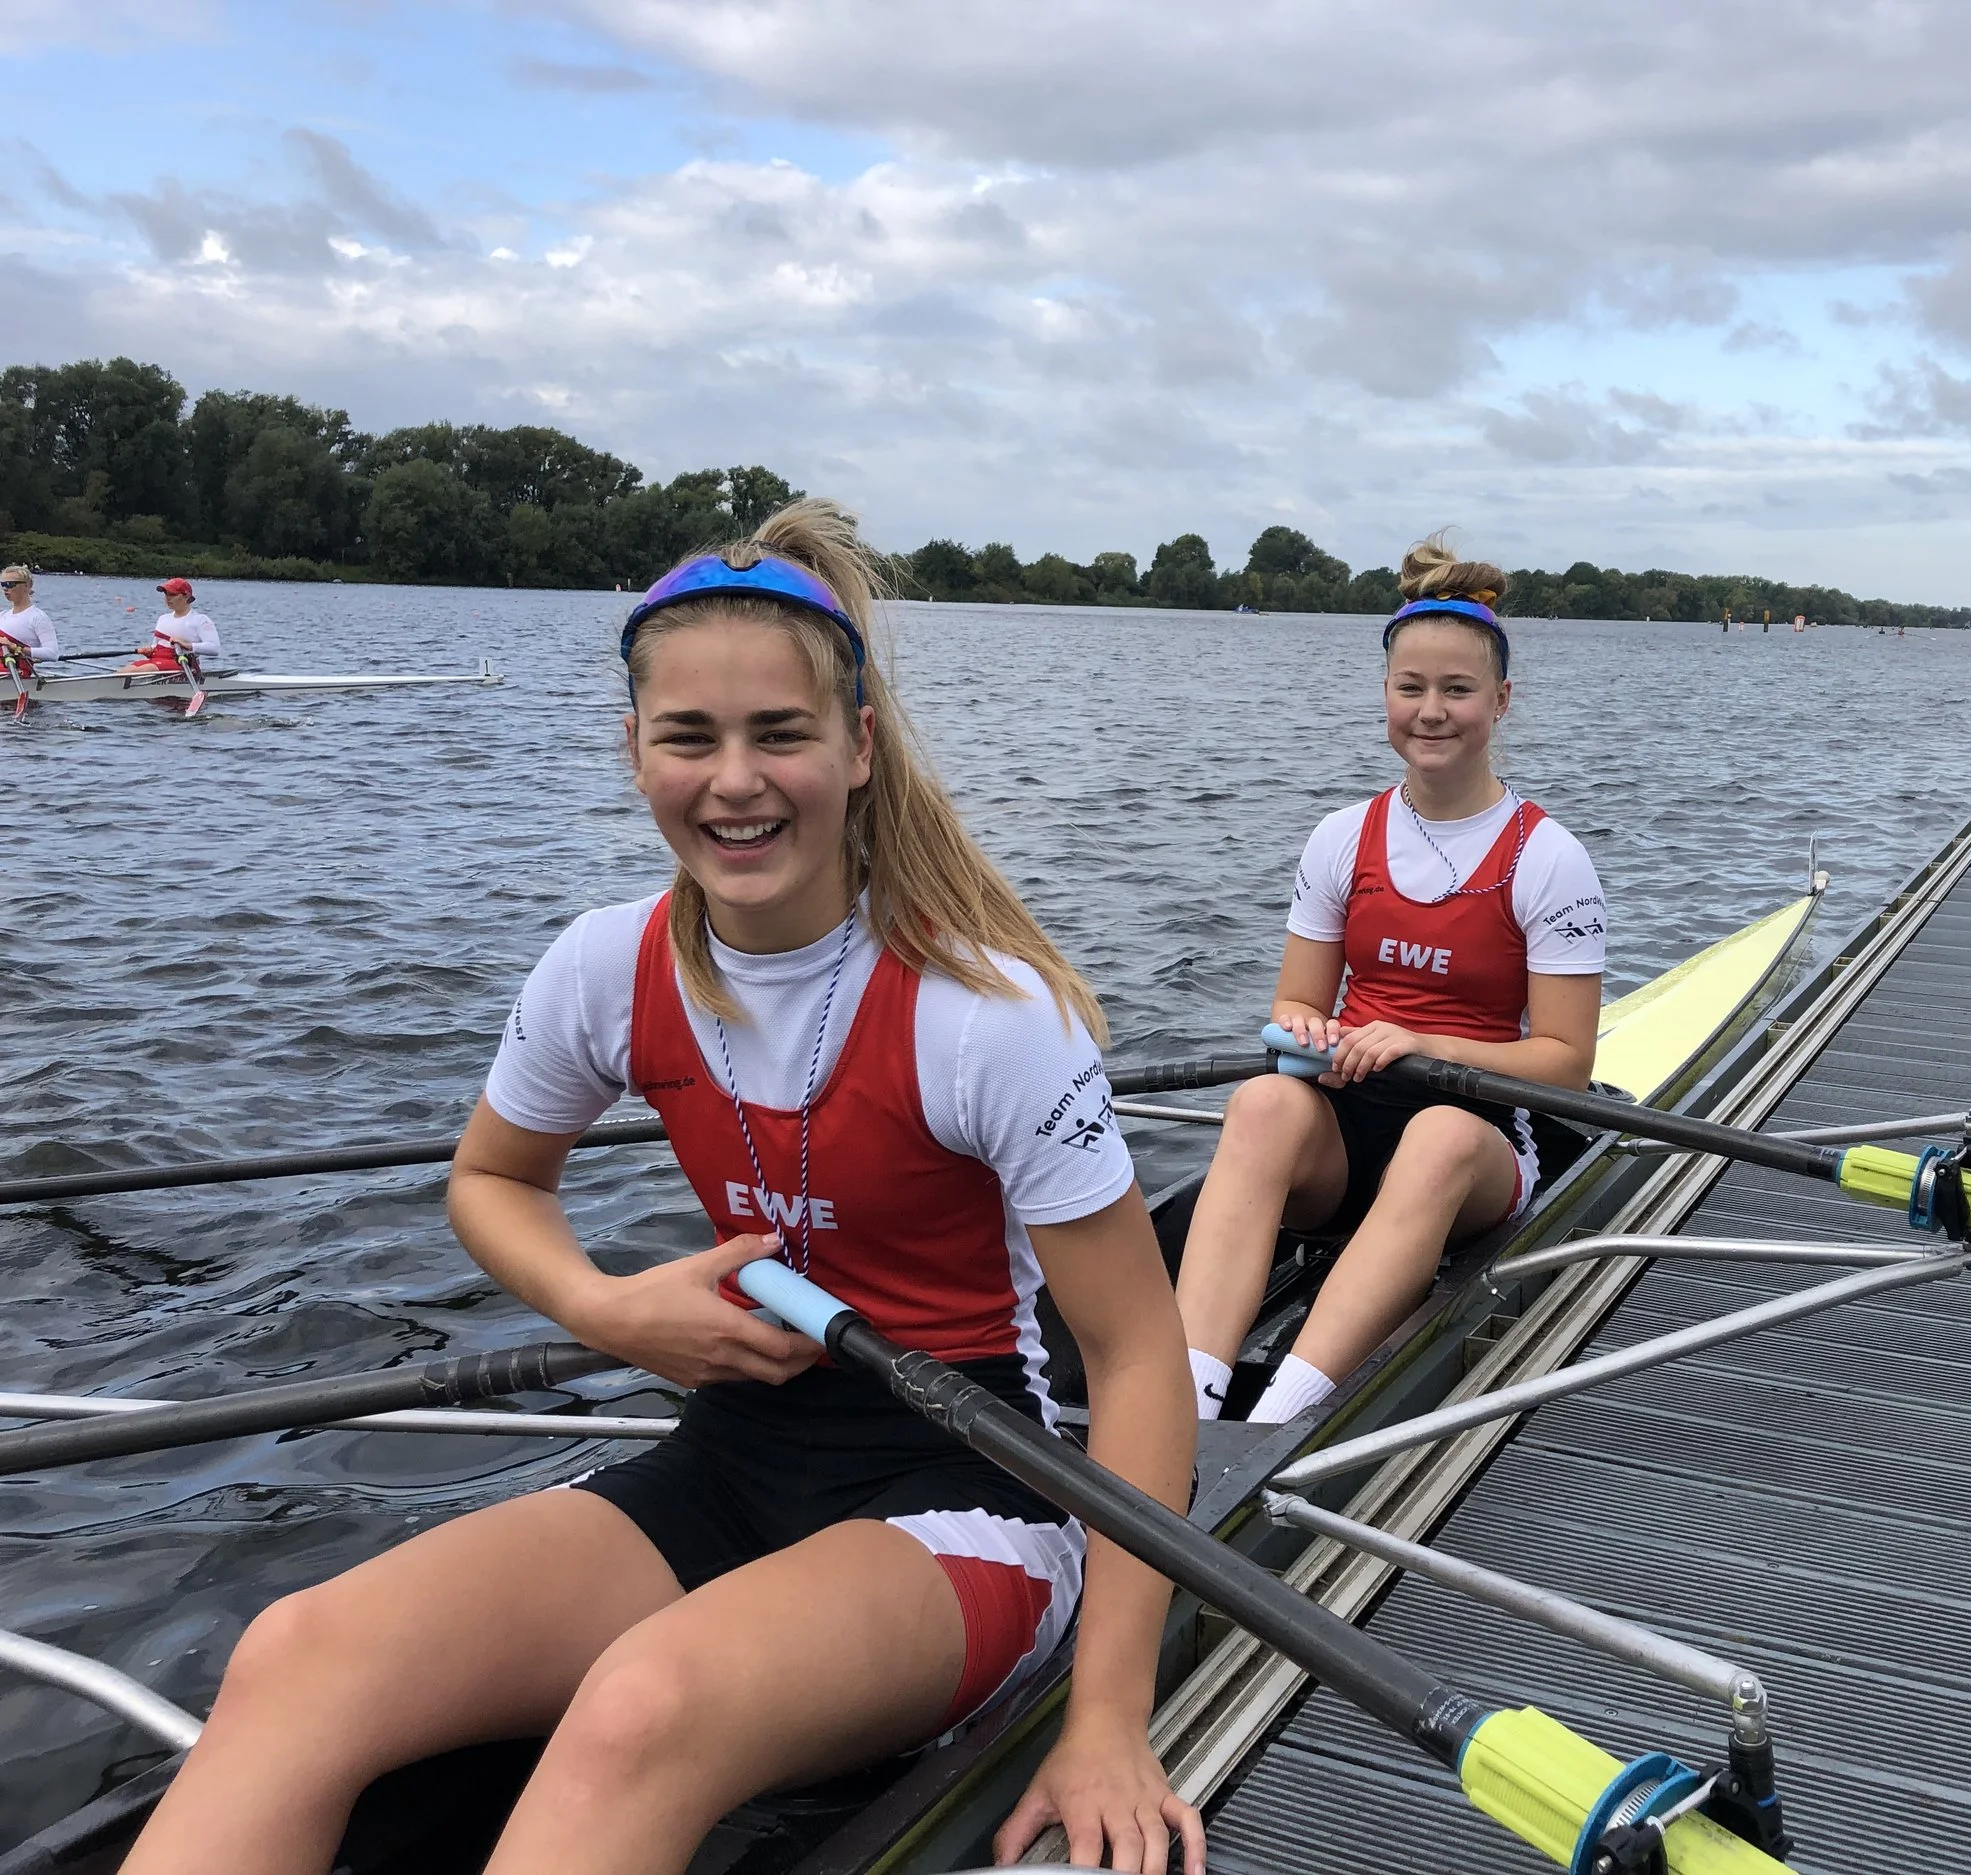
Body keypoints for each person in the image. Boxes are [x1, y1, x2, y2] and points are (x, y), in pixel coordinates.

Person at [121, 501, 1203, 1875]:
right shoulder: (602, 966)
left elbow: (1140, 1358)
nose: (735, 781)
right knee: (297, 1650)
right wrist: (604, 1308)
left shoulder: (984, 1013)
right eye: (690, 736)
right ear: (633, 748)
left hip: (977, 1486)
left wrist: (1108, 1716)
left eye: (779, 733)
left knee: (639, 1707)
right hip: (733, 1454)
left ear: (860, 748)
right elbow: (493, 1179)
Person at [1171, 538, 1604, 1426]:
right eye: (1411, 688)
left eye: (1458, 690)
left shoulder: (1549, 858)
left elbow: (1566, 1064)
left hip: (1478, 1140)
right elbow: (1294, 1004)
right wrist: (1311, 1032)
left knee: (1437, 1136)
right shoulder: (1341, 837)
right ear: (1386, 696)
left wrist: (1420, 1042)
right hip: (1346, 1126)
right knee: (1261, 1103)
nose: (1431, 711)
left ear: (1501, 701)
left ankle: (1275, 1424)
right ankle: (1186, 1402)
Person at [119, 576, 223, 672]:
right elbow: (155, 645)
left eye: (172, 594)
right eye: (166, 594)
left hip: (182, 662)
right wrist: (149, 650)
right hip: (157, 659)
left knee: (137, 671)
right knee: (124, 671)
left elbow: (214, 648)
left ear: (186, 596)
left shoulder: (200, 620)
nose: (168, 598)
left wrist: (187, 645)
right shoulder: (163, 618)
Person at [0, 565, 60, 668]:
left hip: (17, 673)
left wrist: (17, 648)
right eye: (3, 584)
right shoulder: (2, 615)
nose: (5, 589)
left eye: (10, 584)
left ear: (26, 586)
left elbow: (52, 653)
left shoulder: (38, 618)